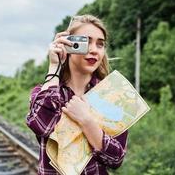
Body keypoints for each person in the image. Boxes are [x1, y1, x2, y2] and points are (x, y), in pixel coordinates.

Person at [26, 14, 128, 175]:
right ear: (68, 45)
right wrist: (54, 66)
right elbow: (40, 124)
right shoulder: (44, 92)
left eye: (100, 44)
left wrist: (87, 121)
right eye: (85, 42)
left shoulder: (112, 97)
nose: (94, 50)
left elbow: (116, 159)